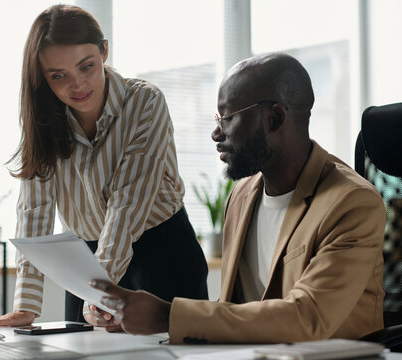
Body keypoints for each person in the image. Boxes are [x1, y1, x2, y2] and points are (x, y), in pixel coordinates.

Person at [91, 52, 386, 343]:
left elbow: (308, 317)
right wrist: (150, 321)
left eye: (228, 117)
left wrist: (167, 316)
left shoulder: (351, 203)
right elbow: (235, 308)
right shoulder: (242, 196)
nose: (216, 133)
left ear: (275, 118)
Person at [0, 4, 208, 329]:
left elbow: (127, 205)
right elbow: (34, 212)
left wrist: (98, 288)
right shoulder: (43, 122)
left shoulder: (145, 103)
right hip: (86, 264)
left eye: (86, 66)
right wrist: (27, 306)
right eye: (58, 76)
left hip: (161, 253)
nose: (77, 85)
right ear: (42, 77)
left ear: (104, 51)